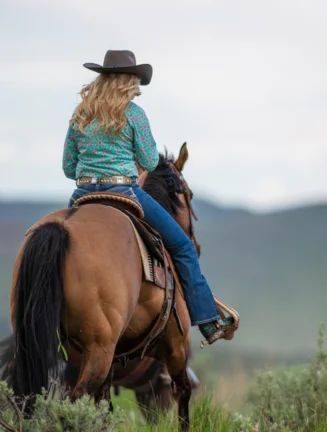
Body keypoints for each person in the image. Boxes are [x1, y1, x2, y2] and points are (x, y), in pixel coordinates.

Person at [61, 49, 234, 345]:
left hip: (82, 195)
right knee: (182, 247)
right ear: (128, 81)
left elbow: (68, 167)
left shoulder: (81, 114)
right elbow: (150, 160)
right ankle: (207, 321)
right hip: (124, 192)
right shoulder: (134, 115)